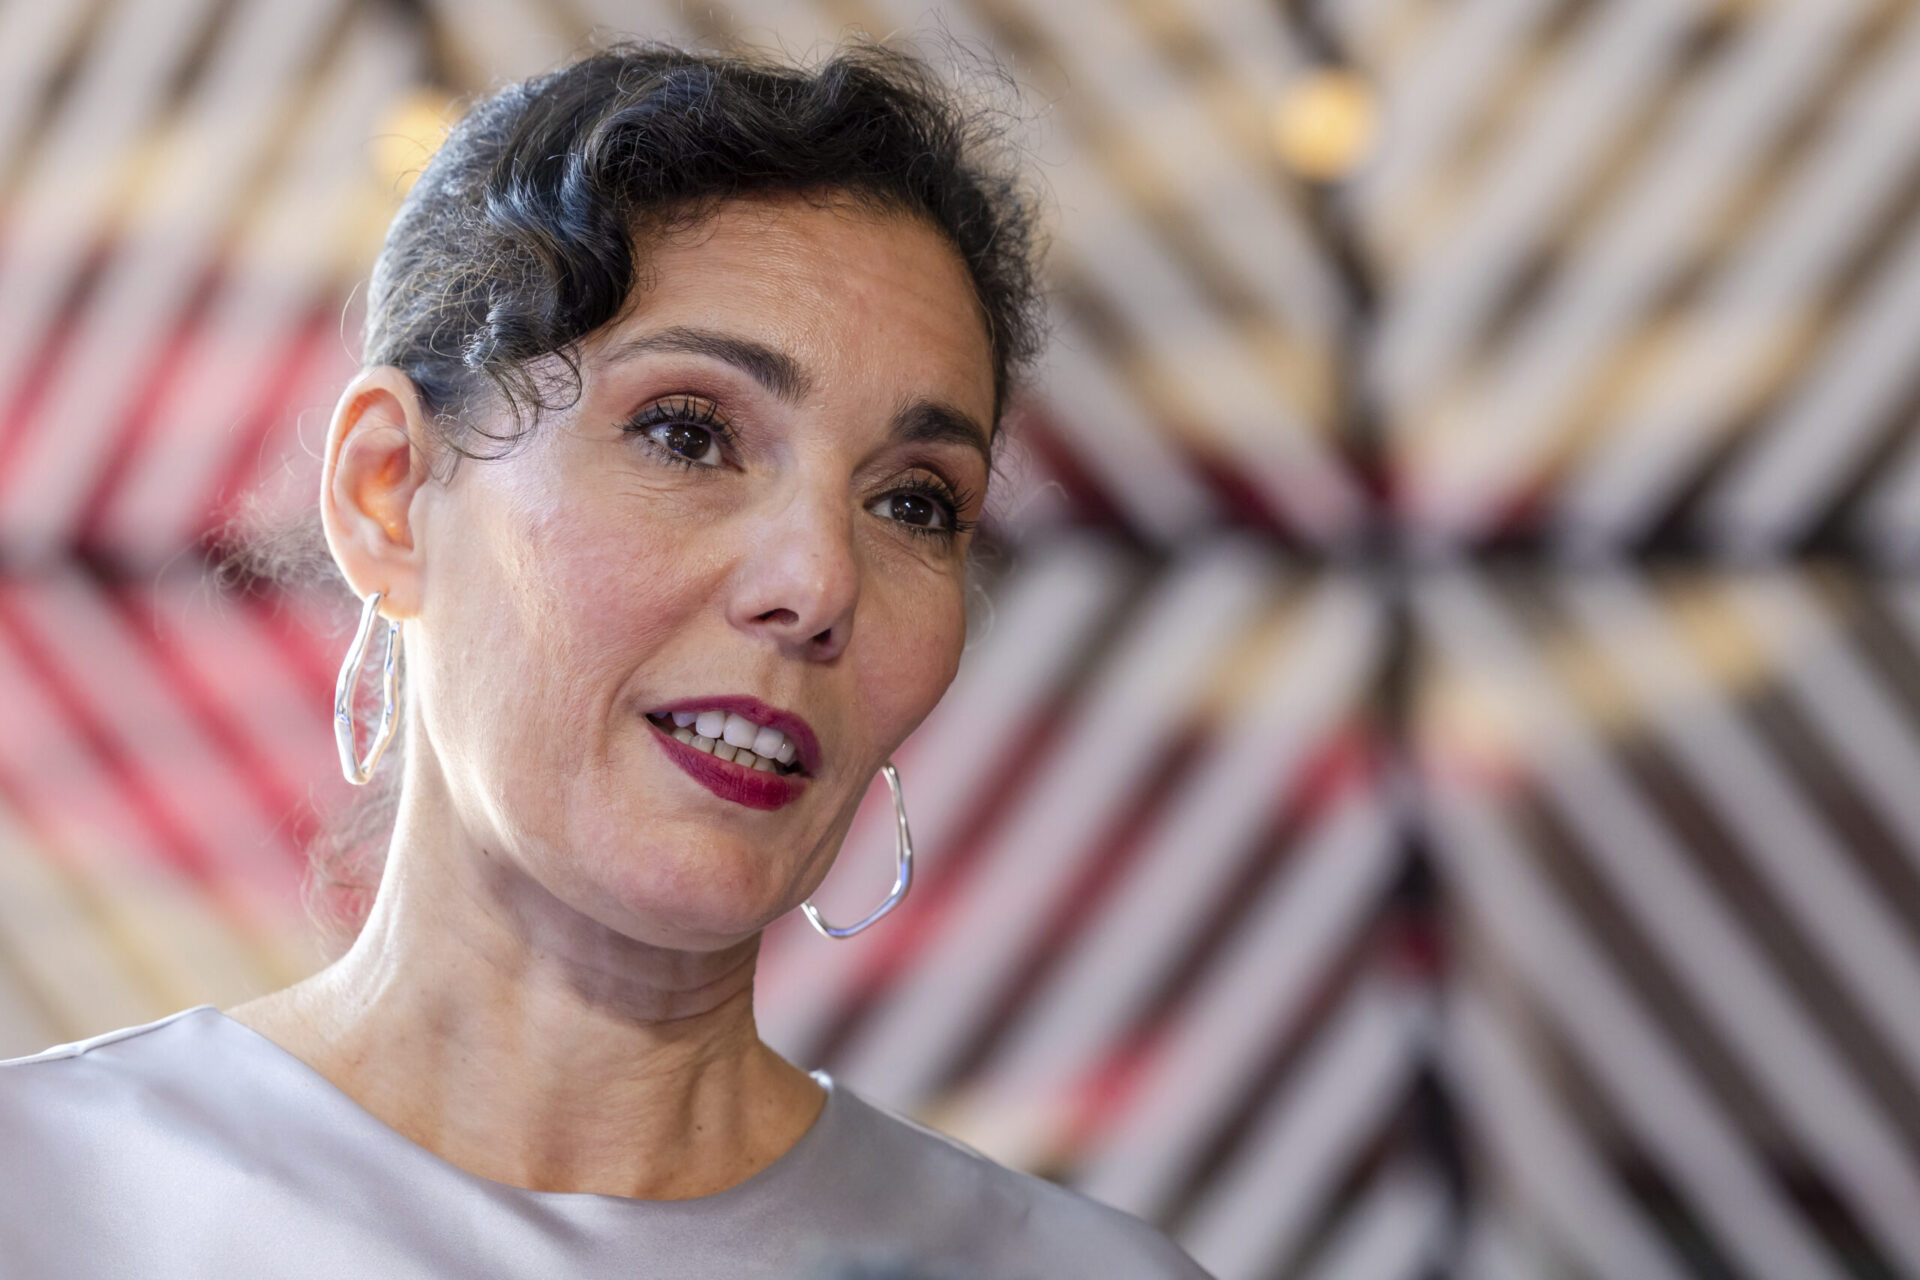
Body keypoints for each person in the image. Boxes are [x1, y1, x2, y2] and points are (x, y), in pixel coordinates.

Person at [0, 39, 1210, 1280]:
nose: (818, 582)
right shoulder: (46, 1193)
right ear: (388, 490)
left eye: (913, 502)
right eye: (687, 434)